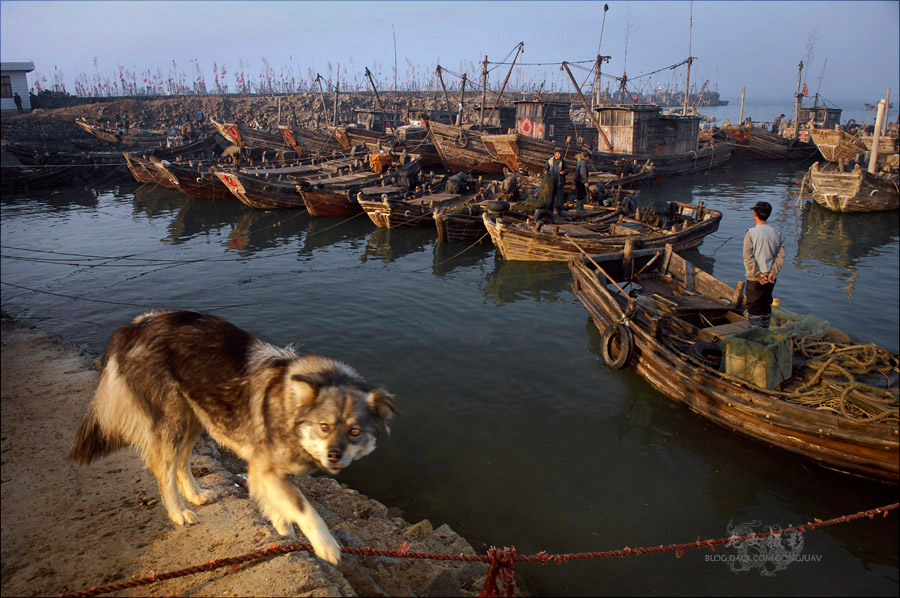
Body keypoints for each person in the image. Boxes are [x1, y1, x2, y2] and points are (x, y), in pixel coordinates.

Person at [743, 201, 785, 329]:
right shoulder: (776, 233)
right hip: (771, 277)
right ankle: (764, 331)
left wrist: (757, 274)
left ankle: (754, 334)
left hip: (755, 278)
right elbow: (780, 255)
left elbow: (748, 257)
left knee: (754, 306)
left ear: (755, 214)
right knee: (766, 304)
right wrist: (773, 272)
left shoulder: (751, 233)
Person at [545, 147, 568, 214]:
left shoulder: (563, 161)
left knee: (559, 198)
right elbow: (545, 168)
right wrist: (545, 171)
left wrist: (564, 172)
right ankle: (550, 211)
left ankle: (559, 211)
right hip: (551, 182)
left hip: (560, 182)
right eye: (558, 153)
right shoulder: (550, 161)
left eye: (560, 153)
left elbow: (567, 169)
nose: (559, 155)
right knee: (550, 197)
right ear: (555, 153)